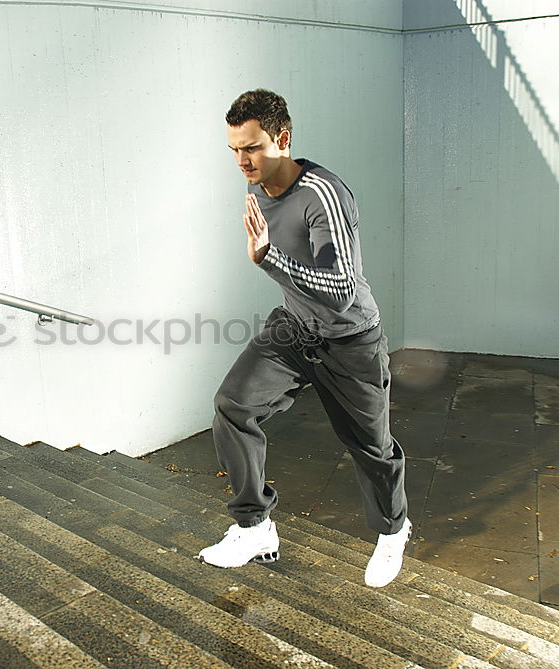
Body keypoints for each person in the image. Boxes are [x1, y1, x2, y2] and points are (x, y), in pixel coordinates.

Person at [198, 89, 410, 588]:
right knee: (233, 404)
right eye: (234, 149)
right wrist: (272, 259)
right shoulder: (256, 190)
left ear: (283, 139)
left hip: (350, 338)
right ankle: (255, 527)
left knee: (371, 448)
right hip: (294, 328)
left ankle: (393, 530)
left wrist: (269, 258)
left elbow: (340, 291)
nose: (241, 161)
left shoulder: (324, 194)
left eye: (252, 148)